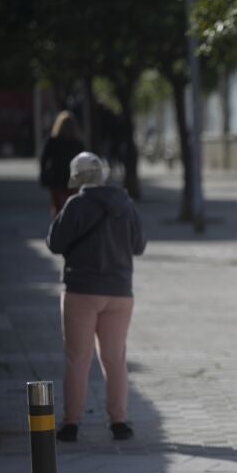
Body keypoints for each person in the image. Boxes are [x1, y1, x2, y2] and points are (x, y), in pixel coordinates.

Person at [46, 152, 147, 442]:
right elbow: (139, 245)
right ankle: (119, 422)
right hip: (119, 292)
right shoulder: (125, 204)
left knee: (78, 359)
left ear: (77, 179)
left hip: (81, 290)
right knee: (115, 359)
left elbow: (54, 243)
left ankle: (71, 423)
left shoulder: (76, 205)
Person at [39, 111, 86, 218]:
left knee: (57, 207)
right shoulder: (77, 143)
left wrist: (44, 171)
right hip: (72, 178)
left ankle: (58, 224)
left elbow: (43, 159)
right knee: (72, 205)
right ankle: (69, 223)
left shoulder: (52, 141)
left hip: (55, 178)